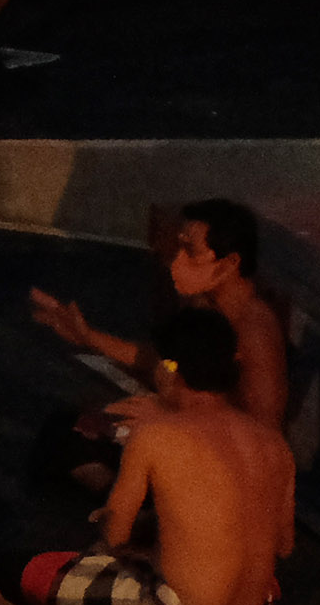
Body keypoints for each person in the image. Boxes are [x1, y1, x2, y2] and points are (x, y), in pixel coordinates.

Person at [0, 310, 290, 605]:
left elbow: (115, 536)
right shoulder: (273, 443)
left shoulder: (157, 434)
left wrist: (135, 534)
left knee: (7, 570)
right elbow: (282, 544)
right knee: (141, 550)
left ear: (170, 369)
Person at [29, 198, 289, 494]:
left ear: (229, 264)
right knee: (66, 431)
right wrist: (89, 337)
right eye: (178, 248)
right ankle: (129, 504)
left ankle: (142, 514)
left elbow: (261, 433)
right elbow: (164, 359)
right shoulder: (205, 304)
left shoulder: (253, 330)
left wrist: (169, 420)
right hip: (195, 437)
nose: (174, 261)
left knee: (84, 446)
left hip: (226, 468)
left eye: (190, 252)